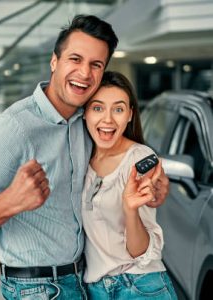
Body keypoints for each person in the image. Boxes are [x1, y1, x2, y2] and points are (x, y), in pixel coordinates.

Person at [0, 15, 169, 300]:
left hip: (81, 280)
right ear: (54, 62)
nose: (84, 73)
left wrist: (155, 185)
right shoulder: (13, 128)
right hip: (36, 288)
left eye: (96, 65)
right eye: (75, 59)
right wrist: (10, 202)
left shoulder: (85, 121)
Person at [82, 71, 177, 299]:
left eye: (118, 109)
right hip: (96, 289)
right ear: (84, 113)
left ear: (130, 115)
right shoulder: (82, 157)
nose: (107, 119)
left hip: (139, 286)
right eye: (97, 108)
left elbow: (140, 252)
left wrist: (130, 209)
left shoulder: (138, 160)